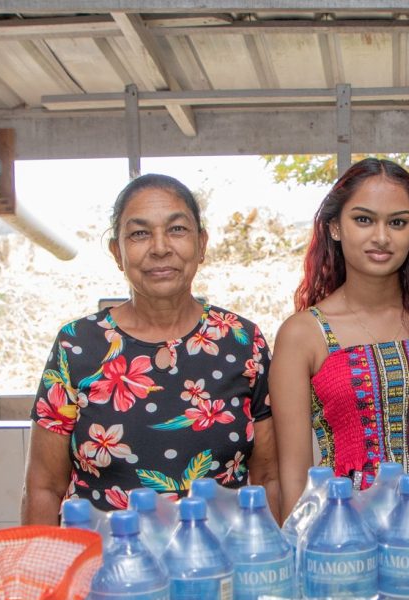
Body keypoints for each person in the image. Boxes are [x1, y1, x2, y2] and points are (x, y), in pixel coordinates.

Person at [22, 173, 279, 525]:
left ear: (201, 244)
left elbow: (269, 478)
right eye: (140, 233)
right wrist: (43, 574)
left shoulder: (242, 342)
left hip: (219, 569)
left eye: (177, 229)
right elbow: (44, 487)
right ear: (117, 251)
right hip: (102, 568)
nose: (160, 247)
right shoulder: (77, 345)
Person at [270, 157, 409, 508]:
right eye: (363, 220)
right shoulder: (303, 334)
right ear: (335, 227)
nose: (382, 237)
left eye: (398, 222)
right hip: (343, 542)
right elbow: (294, 479)